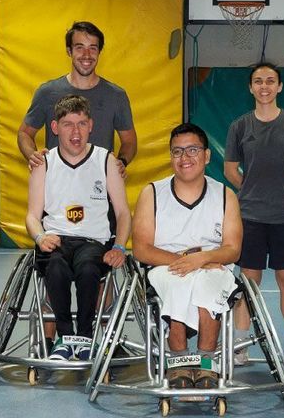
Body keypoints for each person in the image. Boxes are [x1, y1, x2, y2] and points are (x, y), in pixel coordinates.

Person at [132, 123, 243, 390]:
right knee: (179, 281)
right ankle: (179, 360)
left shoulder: (226, 195)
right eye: (177, 152)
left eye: (192, 150)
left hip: (211, 265)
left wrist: (202, 260)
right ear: (170, 157)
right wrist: (185, 262)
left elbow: (233, 249)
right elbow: (142, 249)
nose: (185, 158)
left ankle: (206, 363)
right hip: (165, 266)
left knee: (208, 284)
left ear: (206, 156)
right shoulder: (152, 193)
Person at [25, 95, 131, 361]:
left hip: (93, 241)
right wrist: (39, 236)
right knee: (56, 268)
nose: (76, 132)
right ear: (55, 127)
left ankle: (84, 337)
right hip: (56, 238)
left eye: (82, 124)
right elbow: (31, 216)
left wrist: (119, 246)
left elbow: (122, 212)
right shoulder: (44, 163)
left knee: (87, 269)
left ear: (91, 126)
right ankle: (64, 336)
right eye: (69, 124)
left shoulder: (106, 160)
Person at [223, 62, 284, 364]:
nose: (264, 86)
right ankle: (240, 344)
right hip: (250, 216)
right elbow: (229, 169)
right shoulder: (239, 126)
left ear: (279, 87)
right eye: (258, 81)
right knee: (249, 280)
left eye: (270, 81)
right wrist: (248, 188)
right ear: (251, 87)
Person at [17, 21, 137, 176]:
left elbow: (130, 142)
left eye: (92, 48)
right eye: (80, 47)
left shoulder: (116, 95)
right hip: (57, 185)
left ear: (99, 52)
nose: (86, 55)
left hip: (100, 187)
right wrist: (32, 155)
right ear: (69, 51)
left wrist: (122, 161)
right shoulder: (47, 92)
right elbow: (24, 133)